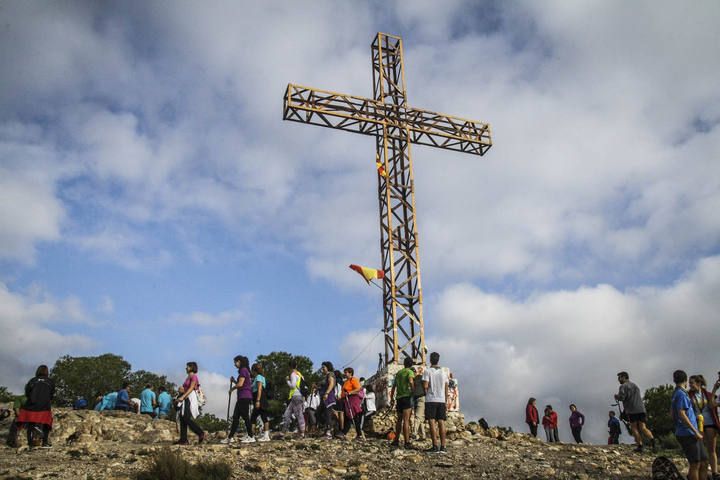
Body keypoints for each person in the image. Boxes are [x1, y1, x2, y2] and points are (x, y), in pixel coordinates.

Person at [6, 365, 54, 449]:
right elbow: (51, 395)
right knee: (47, 423)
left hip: (31, 407)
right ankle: (45, 442)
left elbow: (27, 393)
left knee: (31, 423)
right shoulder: (50, 381)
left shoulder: (32, 380)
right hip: (44, 408)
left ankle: (30, 443)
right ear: (47, 372)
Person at [672, 370, 708, 480]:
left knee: (704, 461)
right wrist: (695, 431)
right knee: (695, 463)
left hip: (690, 432)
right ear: (685, 380)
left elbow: (672, 413)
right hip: (688, 433)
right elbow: (681, 414)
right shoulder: (681, 394)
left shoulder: (679, 393)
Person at [614, 371, 655, 452]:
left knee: (634, 428)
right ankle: (653, 441)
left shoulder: (623, 386)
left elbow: (622, 398)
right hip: (641, 409)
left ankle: (640, 445)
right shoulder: (635, 385)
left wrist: (616, 397)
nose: (618, 380)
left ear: (624, 377)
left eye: (619, 378)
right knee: (643, 427)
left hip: (632, 410)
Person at [690, 375, 719, 478]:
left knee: (711, 449)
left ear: (698, 383)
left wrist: (715, 389)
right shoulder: (689, 395)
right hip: (697, 424)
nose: (690, 385)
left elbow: (712, 405)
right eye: (689, 383)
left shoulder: (708, 394)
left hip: (710, 422)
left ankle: (715, 473)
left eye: (692, 383)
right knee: (700, 450)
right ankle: (701, 473)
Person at [422, 352, 449, 454]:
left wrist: (426, 393)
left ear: (430, 360)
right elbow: (446, 388)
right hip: (441, 400)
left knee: (432, 422)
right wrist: (445, 400)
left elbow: (425, 386)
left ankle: (435, 446)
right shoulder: (443, 372)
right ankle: (443, 446)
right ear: (438, 359)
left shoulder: (427, 371)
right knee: (441, 422)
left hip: (431, 399)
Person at [223, 355, 254, 444]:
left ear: (239, 361)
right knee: (236, 417)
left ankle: (251, 436)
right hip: (243, 397)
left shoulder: (243, 370)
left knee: (245, 417)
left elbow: (240, 385)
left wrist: (232, 389)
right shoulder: (244, 371)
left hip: (244, 396)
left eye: (235, 362)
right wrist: (234, 381)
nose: (234, 364)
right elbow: (242, 384)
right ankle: (230, 437)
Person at [175, 361, 205, 445]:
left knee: (185, 417)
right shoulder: (188, 377)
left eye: (187, 367)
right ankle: (183, 439)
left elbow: (192, 388)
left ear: (191, 367)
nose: (186, 368)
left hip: (189, 398)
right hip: (186, 397)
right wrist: (182, 390)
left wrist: (182, 397)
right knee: (183, 417)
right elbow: (187, 388)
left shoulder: (193, 376)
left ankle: (200, 433)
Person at [390, 356, 415, 448]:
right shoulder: (410, 372)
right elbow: (411, 382)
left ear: (404, 364)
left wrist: (392, 398)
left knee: (399, 420)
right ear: (411, 364)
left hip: (399, 398)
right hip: (407, 397)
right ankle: (407, 442)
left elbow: (393, 387)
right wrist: (413, 392)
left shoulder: (399, 373)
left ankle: (396, 440)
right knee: (406, 420)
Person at [282, 358, 305, 438]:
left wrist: (287, 381)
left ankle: (302, 433)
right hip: (298, 396)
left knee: (298, 414)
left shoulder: (292, 374)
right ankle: (283, 432)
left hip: (296, 396)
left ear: (289, 367)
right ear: (296, 366)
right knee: (287, 414)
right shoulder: (300, 374)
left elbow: (293, 386)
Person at [339, 367, 364, 439]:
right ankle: (357, 434)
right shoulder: (346, 381)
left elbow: (358, 389)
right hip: (347, 400)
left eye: (346, 372)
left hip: (353, 399)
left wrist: (350, 392)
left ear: (350, 373)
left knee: (352, 416)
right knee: (350, 416)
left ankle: (344, 432)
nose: (345, 374)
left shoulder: (353, 380)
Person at [249, 362, 271, 442]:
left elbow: (259, 389)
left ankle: (255, 436)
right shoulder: (259, 377)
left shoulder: (258, 377)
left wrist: (258, 400)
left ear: (254, 370)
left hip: (260, 399)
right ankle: (261, 435)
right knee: (258, 417)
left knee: (258, 417)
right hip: (259, 399)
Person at [319, 361, 337, 439]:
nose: (322, 369)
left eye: (323, 367)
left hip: (328, 397)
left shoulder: (330, 374)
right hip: (323, 397)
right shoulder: (324, 376)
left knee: (327, 414)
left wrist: (327, 393)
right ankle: (327, 429)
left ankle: (329, 433)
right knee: (320, 414)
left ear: (328, 367)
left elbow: (331, 384)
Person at [412, 365, 427, 441]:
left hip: (417, 398)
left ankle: (414, 433)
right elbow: (426, 387)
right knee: (420, 417)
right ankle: (423, 435)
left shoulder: (414, 379)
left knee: (418, 416)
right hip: (421, 397)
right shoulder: (422, 378)